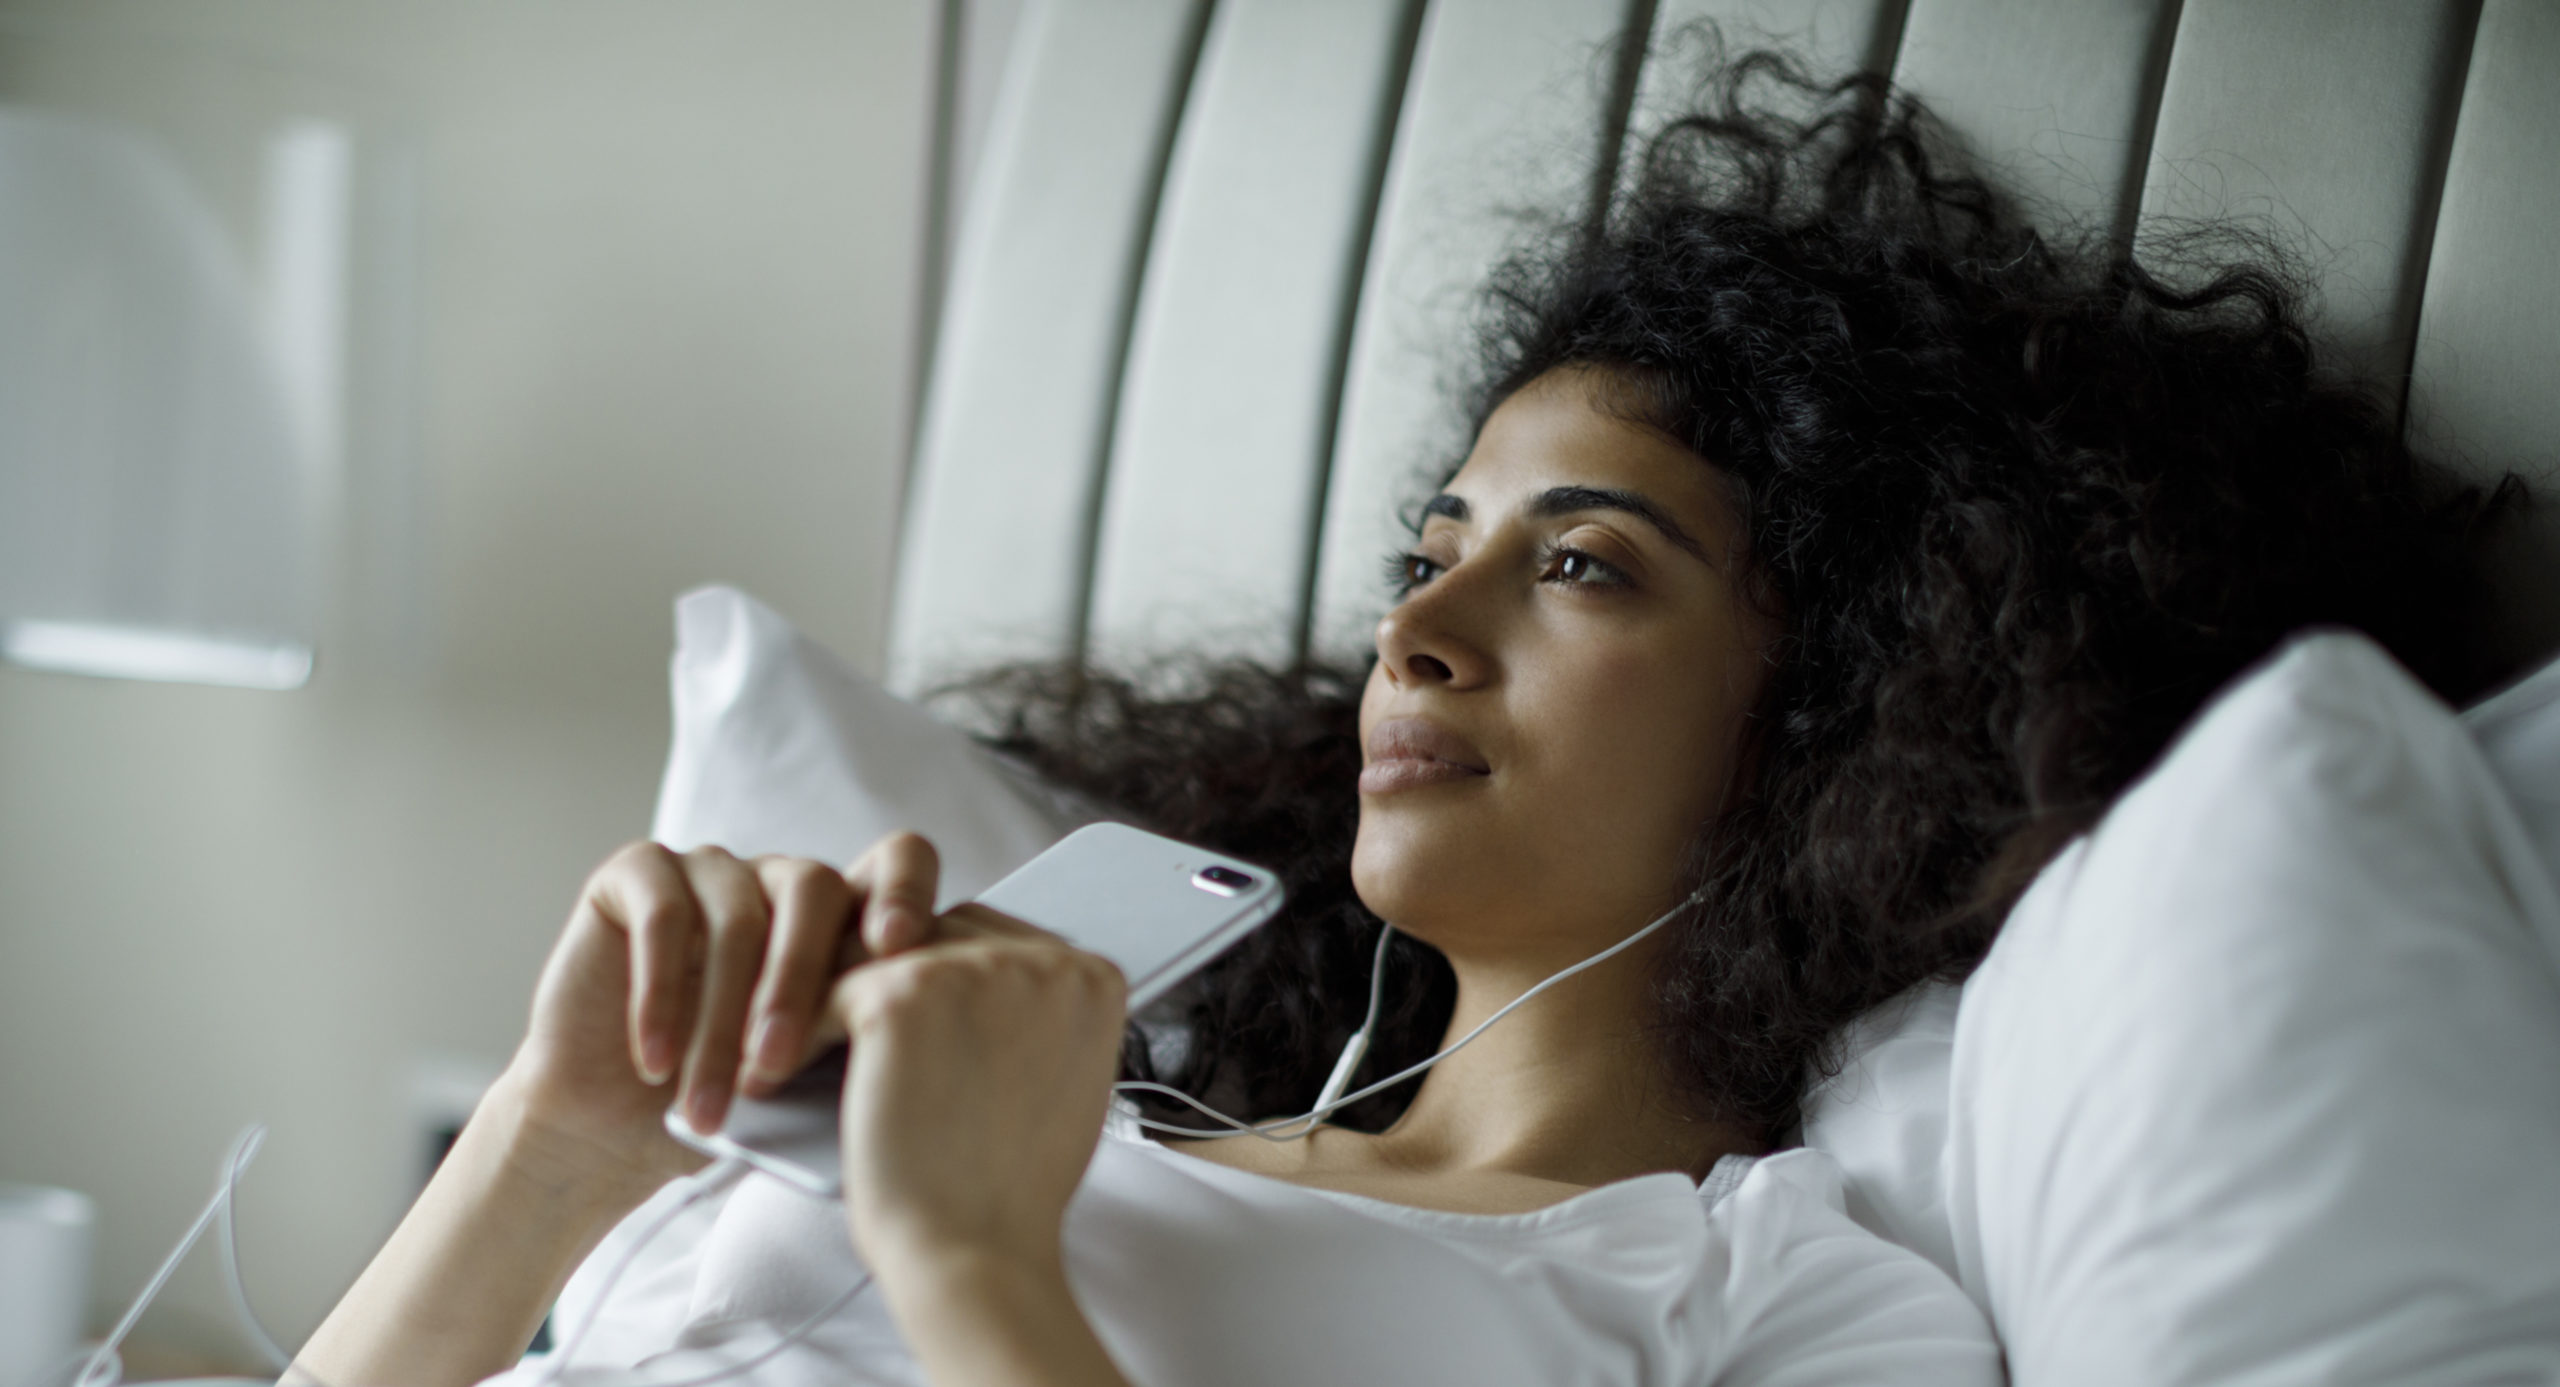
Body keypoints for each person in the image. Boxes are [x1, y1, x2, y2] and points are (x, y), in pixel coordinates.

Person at [294, 44, 2509, 1387]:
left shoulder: (1772, 1304)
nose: (1418, 629)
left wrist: (969, 1254)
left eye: (1575, 563)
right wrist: (556, 1142)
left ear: (1849, 702)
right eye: (1423, 552)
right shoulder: (1080, 1098)